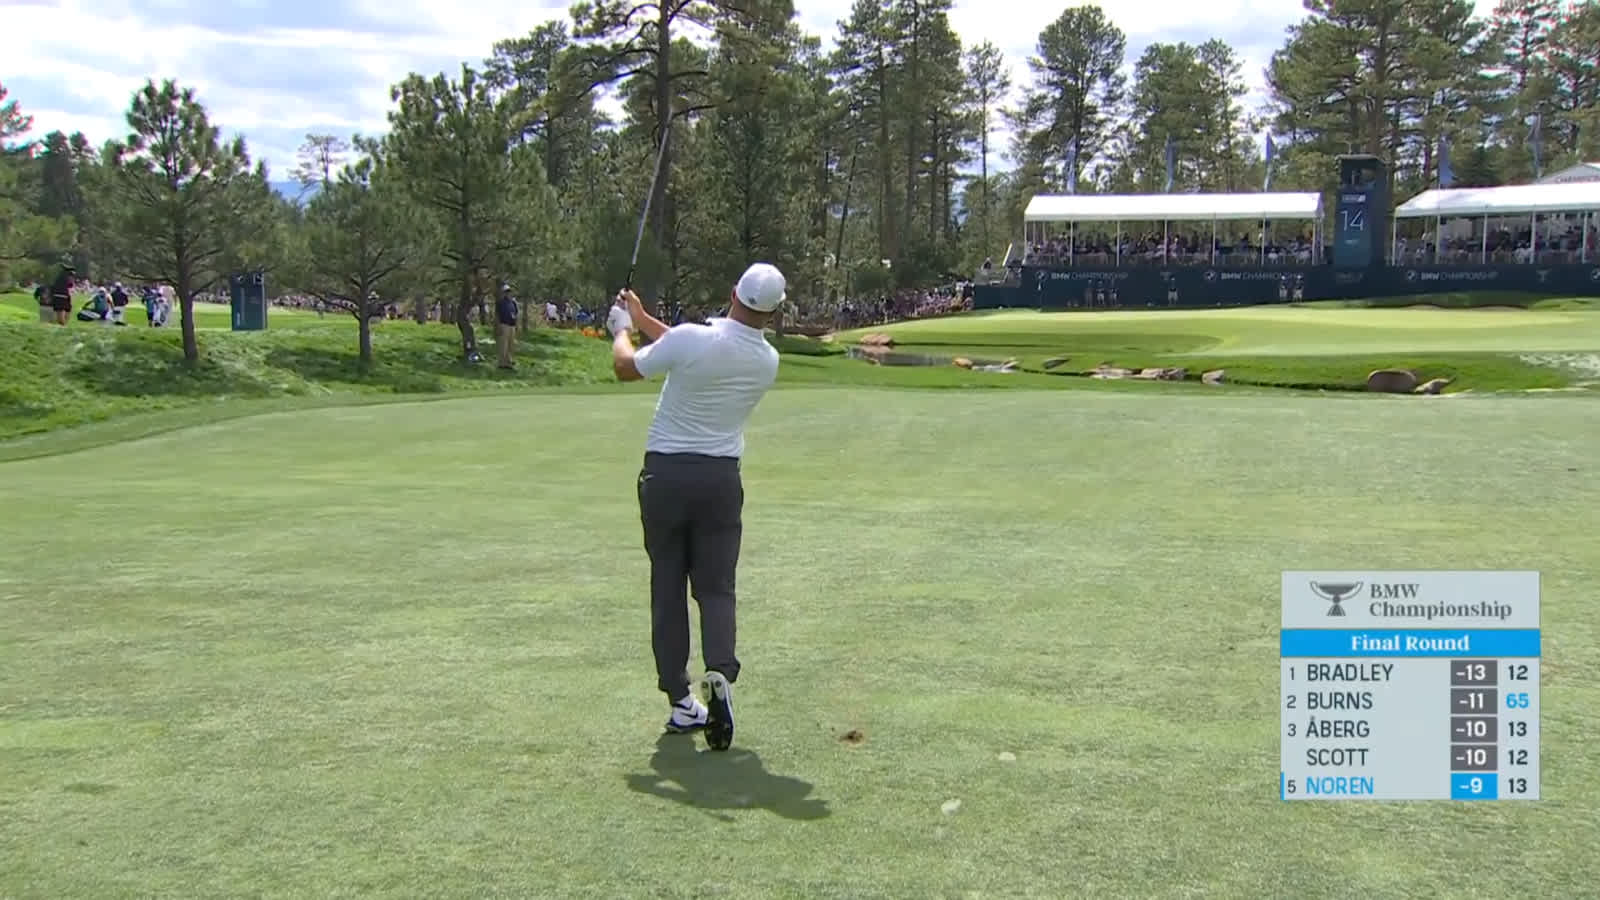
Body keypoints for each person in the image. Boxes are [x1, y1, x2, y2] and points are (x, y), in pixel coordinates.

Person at [607, 263, 785, 751]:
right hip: (720, 482)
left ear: (733, 292)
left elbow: (628, 367)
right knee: (716, 589)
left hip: (666, 476)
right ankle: (720, 674)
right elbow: (692, 350)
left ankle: (682, 702)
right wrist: (644, 319)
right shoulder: (766, 360)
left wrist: (622, 330)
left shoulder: (692, 340)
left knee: (668, 584)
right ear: (773, 311)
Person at [495, 283, 518, 370]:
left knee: (511, 344)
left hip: (512, 325)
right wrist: (498, 326)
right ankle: (502, 363)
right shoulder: (500, 303)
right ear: (504, 293)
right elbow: (497, 315)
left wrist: (516, 325)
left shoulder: (513, 303)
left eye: (509, 292)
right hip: (504, 325)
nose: (508, 293)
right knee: (503, 344)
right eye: (506, 292)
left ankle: (509, 362)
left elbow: (516, 314)